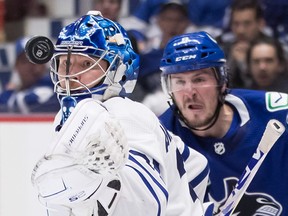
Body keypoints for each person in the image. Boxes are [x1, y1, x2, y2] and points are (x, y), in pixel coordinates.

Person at [30, 11, 214, 215]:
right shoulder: (69, 117)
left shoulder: (123, 113)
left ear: (118, 70)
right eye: (65, 62)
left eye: (87, 64)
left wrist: (87, 188)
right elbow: (196, 165)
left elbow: (147, 205)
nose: (70, 74)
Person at [159, 31, 288, 215]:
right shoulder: (161, 137)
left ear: (223, 82)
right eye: (179, 82)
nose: (189, 92)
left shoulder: (276, 114)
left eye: (199, 79)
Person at [216, 0, 272, 89]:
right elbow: (220, 86)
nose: (240, 30)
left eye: (247, 23)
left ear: (260, 24)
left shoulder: (272, 50)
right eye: (236, 24)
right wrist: (232, 62)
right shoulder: (223, 48)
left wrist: (244, 65)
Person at [0, 37, 60, 113]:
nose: (34, 66)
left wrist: (9, 91)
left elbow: (17, 103)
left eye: (38, 60)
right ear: (16, 65)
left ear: (45, 64)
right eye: (26, 61)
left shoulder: (50, 86)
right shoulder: (20, 89)